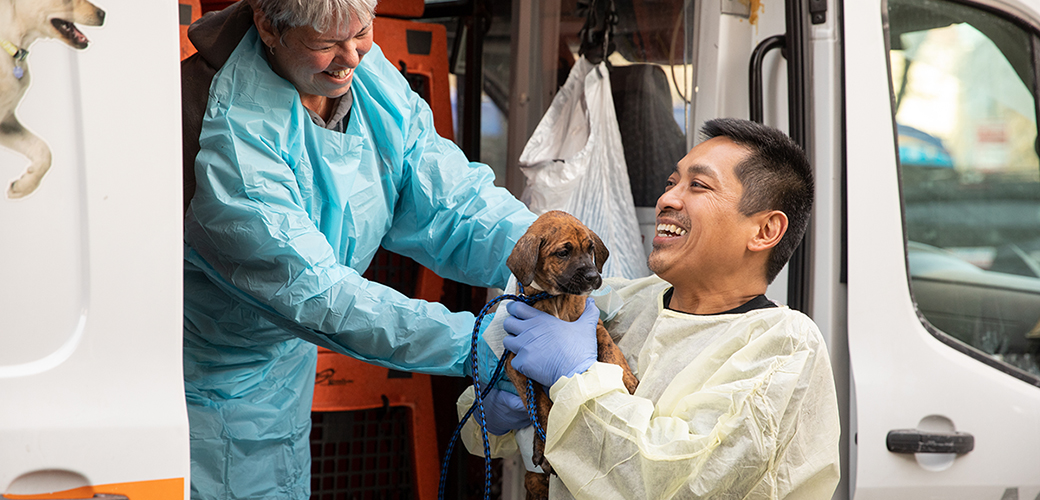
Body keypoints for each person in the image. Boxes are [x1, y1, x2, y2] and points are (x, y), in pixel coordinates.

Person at [179, 0, 535, 498]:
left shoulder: (365, 78)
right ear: (268, 26)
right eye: (325, 43)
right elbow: (318, 294)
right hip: (210, 393)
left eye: (362, 31)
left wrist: (540, 250)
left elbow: (448, 198)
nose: (351, 56)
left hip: (287, 372)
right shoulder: (229, 137)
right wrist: (481, 344)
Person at [464, 118, 841, 499]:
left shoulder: (784, 347)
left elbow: (678, 482)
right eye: (671, 183)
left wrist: (577, 378)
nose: (667, 199)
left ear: (765, 231)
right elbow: (489, 434)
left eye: (697, 185)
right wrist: (494, 411)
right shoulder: (627, 303)